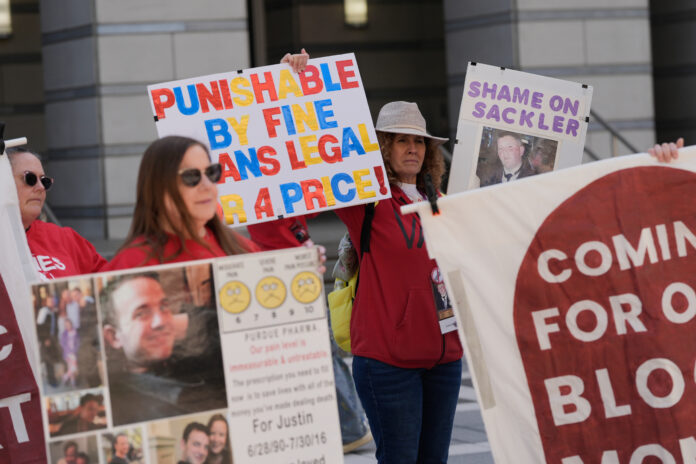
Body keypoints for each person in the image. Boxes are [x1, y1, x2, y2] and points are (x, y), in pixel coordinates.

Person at [332, 101, 464, 464]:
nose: (412, 148)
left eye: (419, 141)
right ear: (383, 147)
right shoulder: (367, 204)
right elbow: (326, 158)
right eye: (402, 140)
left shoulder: (444, 203)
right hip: (388, 363)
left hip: (445, 360)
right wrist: (298, 80)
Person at [103, 136, 258, 270]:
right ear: (159, 188)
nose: (207, 186)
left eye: (211, 172)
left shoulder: (242, 248)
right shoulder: (132, 263)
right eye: (191, 176)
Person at [101, 272, 227, 425]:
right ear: (114, 337)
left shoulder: (184, 358)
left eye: (163, 307)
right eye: (141, 314)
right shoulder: (130, 407)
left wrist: (178, 325)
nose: (160, 321)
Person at [7, 147, 107, 280]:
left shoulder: (66, 238)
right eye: (30, 178)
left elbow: (111, 281)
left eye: (44, 181)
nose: (41, 187)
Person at [59, 318, 79, 387]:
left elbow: (78, 343)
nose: (67, 326)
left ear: (71, 324)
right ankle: (72, 381)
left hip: (74, 353)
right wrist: (68, 352)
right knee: (73, 368)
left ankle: (66, 377)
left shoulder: (75, 332)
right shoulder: (64, 334)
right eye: (66, 325)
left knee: (71, 368)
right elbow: (62, 344)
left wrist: (74, 350)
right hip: (68, 353)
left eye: (68, 324)